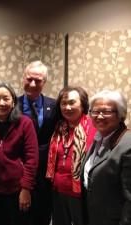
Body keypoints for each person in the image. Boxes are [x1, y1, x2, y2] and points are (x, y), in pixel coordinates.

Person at [0, 81, 39, 225]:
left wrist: (26, 189)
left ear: (13, 102)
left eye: (6, 98)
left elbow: (32, 158)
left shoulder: (25, 123)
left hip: (18, 189)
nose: (1, 103)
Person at [46, 86, 97, 225]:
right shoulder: (58, 127)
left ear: (83, 104)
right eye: (63, 103)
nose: (67, 107)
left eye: (72, 102)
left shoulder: (94, 127)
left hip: (82, 192)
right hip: (58, 189)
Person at [81, 90, 131, 225]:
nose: (100, 116)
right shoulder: (99, 139)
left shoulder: (127, 146)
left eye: (107, 112)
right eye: (95, 111)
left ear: (120, 114)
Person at [18, 60, 58, 225]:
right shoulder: (12, 104)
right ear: (23, 79)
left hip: (45, 176)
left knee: (42, 216)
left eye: (38, 80)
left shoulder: (54, 106)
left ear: (45, 82)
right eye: (29, 79)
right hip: (19, 172)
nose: (32, 84)